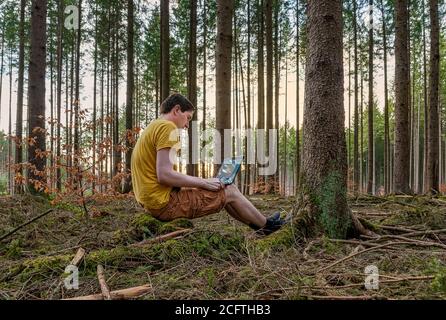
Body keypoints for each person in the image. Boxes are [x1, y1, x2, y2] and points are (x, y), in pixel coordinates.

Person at [131, 93, 286, 235]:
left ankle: (259, 226)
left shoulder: (153, 127)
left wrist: (201, 184)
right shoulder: (168, 128)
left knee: (223, 188)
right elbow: (164, 175)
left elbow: (161, 175)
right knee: (230, 190)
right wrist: (204, 182)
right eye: (188, 118)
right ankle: (269, 227)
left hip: (153, 202)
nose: (186, 125)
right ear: (177, 110)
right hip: (163, 205)